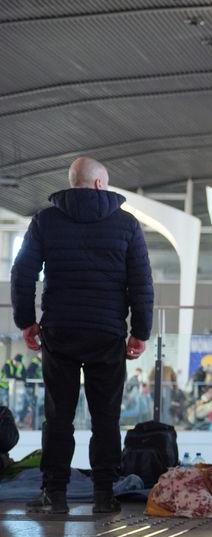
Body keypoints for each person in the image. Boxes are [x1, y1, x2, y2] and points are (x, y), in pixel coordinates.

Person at [11, 156, 153, 516]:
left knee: (58, 416)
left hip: (60, 330)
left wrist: (26, 321)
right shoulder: (126, 224)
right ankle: (105, 495)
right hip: (107, 332)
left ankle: (54, 493)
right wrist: (140, 332)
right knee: (106, 416)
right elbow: (141, 283)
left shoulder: (45, 221)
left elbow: (23, 273)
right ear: (99, 184)